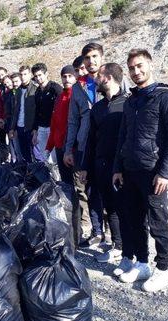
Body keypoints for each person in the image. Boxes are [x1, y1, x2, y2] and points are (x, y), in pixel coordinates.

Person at [113, 49, 168, 292]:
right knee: (134, 220)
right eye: (132, 68)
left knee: (158, 222)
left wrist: (165, 173)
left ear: (150, 65)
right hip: (130, 170)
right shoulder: (131, 100)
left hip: (153, 173)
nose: (136, 71)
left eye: (140, 66)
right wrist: (118, 167)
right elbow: (122, 136)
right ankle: (142, 262)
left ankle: (163, 269)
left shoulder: (166, 98)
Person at [82, 63, 130, 263]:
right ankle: (117, 246)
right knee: (110, 208)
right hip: (101, 166)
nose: (95, 80)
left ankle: (131, 251)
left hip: (123, 168)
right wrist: (86, 166)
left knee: (126, 209)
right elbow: (91, 139)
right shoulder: (98, 108)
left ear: (108, 78)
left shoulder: (128, 104)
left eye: (99, 76)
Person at [64, 43, 106, 247]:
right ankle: (98, 232)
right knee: (89, 189)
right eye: (88, 58)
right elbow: (72, 120)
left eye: (95, 56)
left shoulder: (112, 79)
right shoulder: (78, 87)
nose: (91, 61)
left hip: (107, 143)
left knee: (112, 189)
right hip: (84, 145)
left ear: (102, 57)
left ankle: (119, 239)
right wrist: (68, 148)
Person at [46, 65, 77, 181]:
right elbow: (54, 124)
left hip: (73, 147)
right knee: (65, 181)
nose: (67, 79)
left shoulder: (77, 96)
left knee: (78, 184)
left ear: (75, 77)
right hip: (59, 146)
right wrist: (49, 146)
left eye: (70, 76)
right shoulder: (59, 98)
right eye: (64, 76)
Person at [31, 63, 62, 163]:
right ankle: (50, 178)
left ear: (46, 74)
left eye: (40, 75)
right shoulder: (37, 92)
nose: (38, 78)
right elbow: (37, 111)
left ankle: (58, 178)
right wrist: (35, 131)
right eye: (35, 76)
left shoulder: (55, 88)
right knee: (45, 158)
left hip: (53, 128)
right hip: (41, 128)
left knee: (54, 158)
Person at [9, 65, 37, 163]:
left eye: (25, 74)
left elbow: (37, 111)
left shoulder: (35, 88)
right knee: (24, 153)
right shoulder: (18, 90)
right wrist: (12, 128)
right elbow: (16, 111)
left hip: (30, 127)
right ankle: (28, 173)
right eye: (21, 74)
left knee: (36, 154)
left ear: (30, 74)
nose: (23, 76)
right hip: (20, 126)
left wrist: (35, 128)